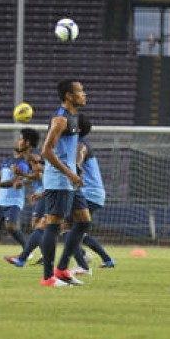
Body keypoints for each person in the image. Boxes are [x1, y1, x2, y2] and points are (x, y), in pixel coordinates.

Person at [39, 79, 90, 287]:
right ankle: (47, 277)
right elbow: (46, 151)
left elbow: (66, 149)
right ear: (69, 96)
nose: (84, 94)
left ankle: (61, 269)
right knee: (54, 223)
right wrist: (69, 173)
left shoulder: (74, 118)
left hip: (70, 179)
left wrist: (75, 167)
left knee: (84, 221)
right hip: (59, 180)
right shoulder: (60, 119)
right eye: (80, 91)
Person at [0, 128, 40, 260]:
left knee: (10, 226)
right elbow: (0, 178)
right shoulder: (8, 160)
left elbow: (13, 182)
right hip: (0, 202)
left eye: (20, 139)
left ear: (27, 143)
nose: (17, 141)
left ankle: (27, 251)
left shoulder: (25, 163)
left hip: (14, 202)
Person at [70, 114, 115, 275]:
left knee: (67, 228)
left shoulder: (80, 145)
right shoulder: (76, 144)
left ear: (78, 128)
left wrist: (76, 167)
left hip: (88, 193)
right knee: (79, 231)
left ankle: (82, 263)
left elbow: (78, 158)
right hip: (93, 193)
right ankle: (106, 259)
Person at [4, 151, 46, 267]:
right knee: (39, 227)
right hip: (42, 197)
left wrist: (22, 174)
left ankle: (27, 255)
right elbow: (32, 178)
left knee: (39, 227)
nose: (37, 164)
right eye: (34, 162)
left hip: (44, 197)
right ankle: (43, 255)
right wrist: (21, 183)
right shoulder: (33, 171)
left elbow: (37, 176)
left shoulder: (40, 169)